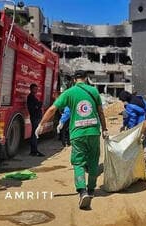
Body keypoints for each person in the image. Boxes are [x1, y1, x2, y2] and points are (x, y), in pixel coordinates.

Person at [36, 70, 108, 210]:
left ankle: (82, 191)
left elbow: (52, 109)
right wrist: (104, 129)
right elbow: (101, 112)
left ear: (75, 79)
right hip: (93, 132)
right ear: (86, 79)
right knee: (93, 161)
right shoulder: (94, 91)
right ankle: (91, 189)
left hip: (77, 133)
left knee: (78, 162)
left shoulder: (69, 93)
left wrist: (41, 124)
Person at [27, 84, 44, 157]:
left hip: (36, 117)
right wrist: (39, 104)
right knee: (35, 134)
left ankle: (34, 150)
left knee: (35, 133)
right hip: (35, 117)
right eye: (35, 89)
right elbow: (33, 108)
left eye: (37, 89)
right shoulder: (30, 97)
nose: (36, 90)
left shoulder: (33, 97)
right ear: (31, 89)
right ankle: (34, 151)